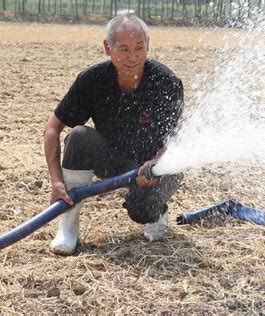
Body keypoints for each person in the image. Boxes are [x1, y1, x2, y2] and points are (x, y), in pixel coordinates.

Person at [43, 15, 184, 255]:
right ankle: (68, 227)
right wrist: (57, 182)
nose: (133, 57)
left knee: (141, 209)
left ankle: (157, 211)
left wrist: (157, 162)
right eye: (124, 49)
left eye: (140, 48)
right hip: (117, 160)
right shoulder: (92, 80)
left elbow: (178, 136)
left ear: (148, 44)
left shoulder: (166, 82)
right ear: (108, 48)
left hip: (158, 167)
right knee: (78, 137)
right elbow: (52, 128)